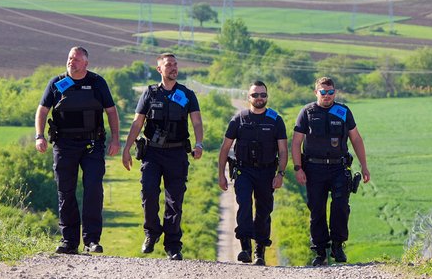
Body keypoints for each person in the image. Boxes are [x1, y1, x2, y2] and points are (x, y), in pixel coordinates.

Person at [35, 46, 121, 255]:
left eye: (76, 59)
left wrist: (116, 139)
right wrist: (39, 136)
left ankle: (91, 240)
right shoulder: (56, 83)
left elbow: (111, 111)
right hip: (64, 145)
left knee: (93, 189)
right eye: (69, 58)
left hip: (92, 145)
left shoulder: (97, 82)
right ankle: (69, 241)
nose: (71, 62)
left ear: (85, 64)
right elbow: (42, 110)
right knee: (66, 191)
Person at [122, 53, 203, 261]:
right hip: (153, 153)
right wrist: (126, 149)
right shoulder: (150, 94)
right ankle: (151, 233)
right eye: (168, 65)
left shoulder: (187, 94)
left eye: (175, 64)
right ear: (160, 69)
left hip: (177, 153)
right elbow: (137, 123)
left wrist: (199, 143)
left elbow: (196, 122)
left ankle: (173, 245)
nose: (173, 68)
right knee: (148, 193)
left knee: (175, 201)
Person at [291, 77, 370, 266]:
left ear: (335, 92)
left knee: (341, 206)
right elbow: (296, 142)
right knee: (317, 210)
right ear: (316, 92)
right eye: (323, 92)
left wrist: (364, 166)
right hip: (314, 168)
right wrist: (298, 167)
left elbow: (356, 139)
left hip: (338, 167)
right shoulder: (307, 112)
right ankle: (320, 251)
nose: (327, 96)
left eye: (330, 92)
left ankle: (337, 245)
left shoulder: (343, 111)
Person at [218, 81, 288, 266]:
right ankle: (245, 248)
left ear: (267, 97)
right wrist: (221, 174)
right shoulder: (239, 119)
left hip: (267, 172)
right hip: (244, 170)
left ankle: (260, 251)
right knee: (245, 206)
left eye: (262, 95)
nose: (259, 98)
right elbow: (225, 148)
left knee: (264, 211)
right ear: (248, 97)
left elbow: (283, 150)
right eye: (255, 95)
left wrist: (280, 173)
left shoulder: (275, 120)